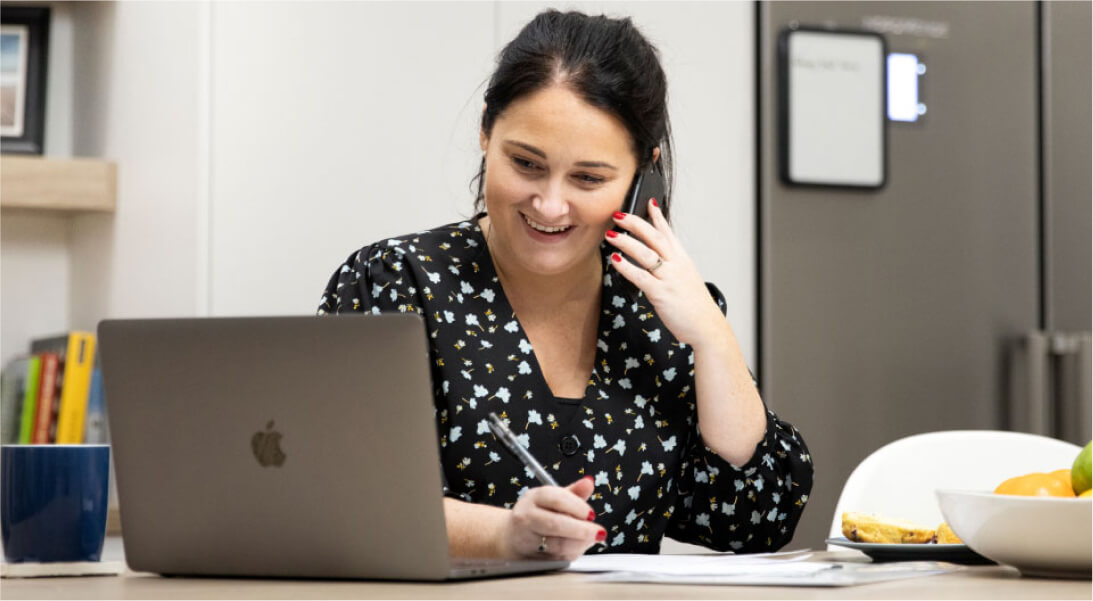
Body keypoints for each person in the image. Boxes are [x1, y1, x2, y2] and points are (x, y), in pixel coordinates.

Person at [318, 9, 812, 561]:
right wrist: (505, 535)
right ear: (486, 130)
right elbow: (342, 500)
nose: (551, 205)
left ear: (643, 174)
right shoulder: (396, 284)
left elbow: (753, 521)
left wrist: (713, 338)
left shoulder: (662, 310)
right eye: (526, 164)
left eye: (589, 178)